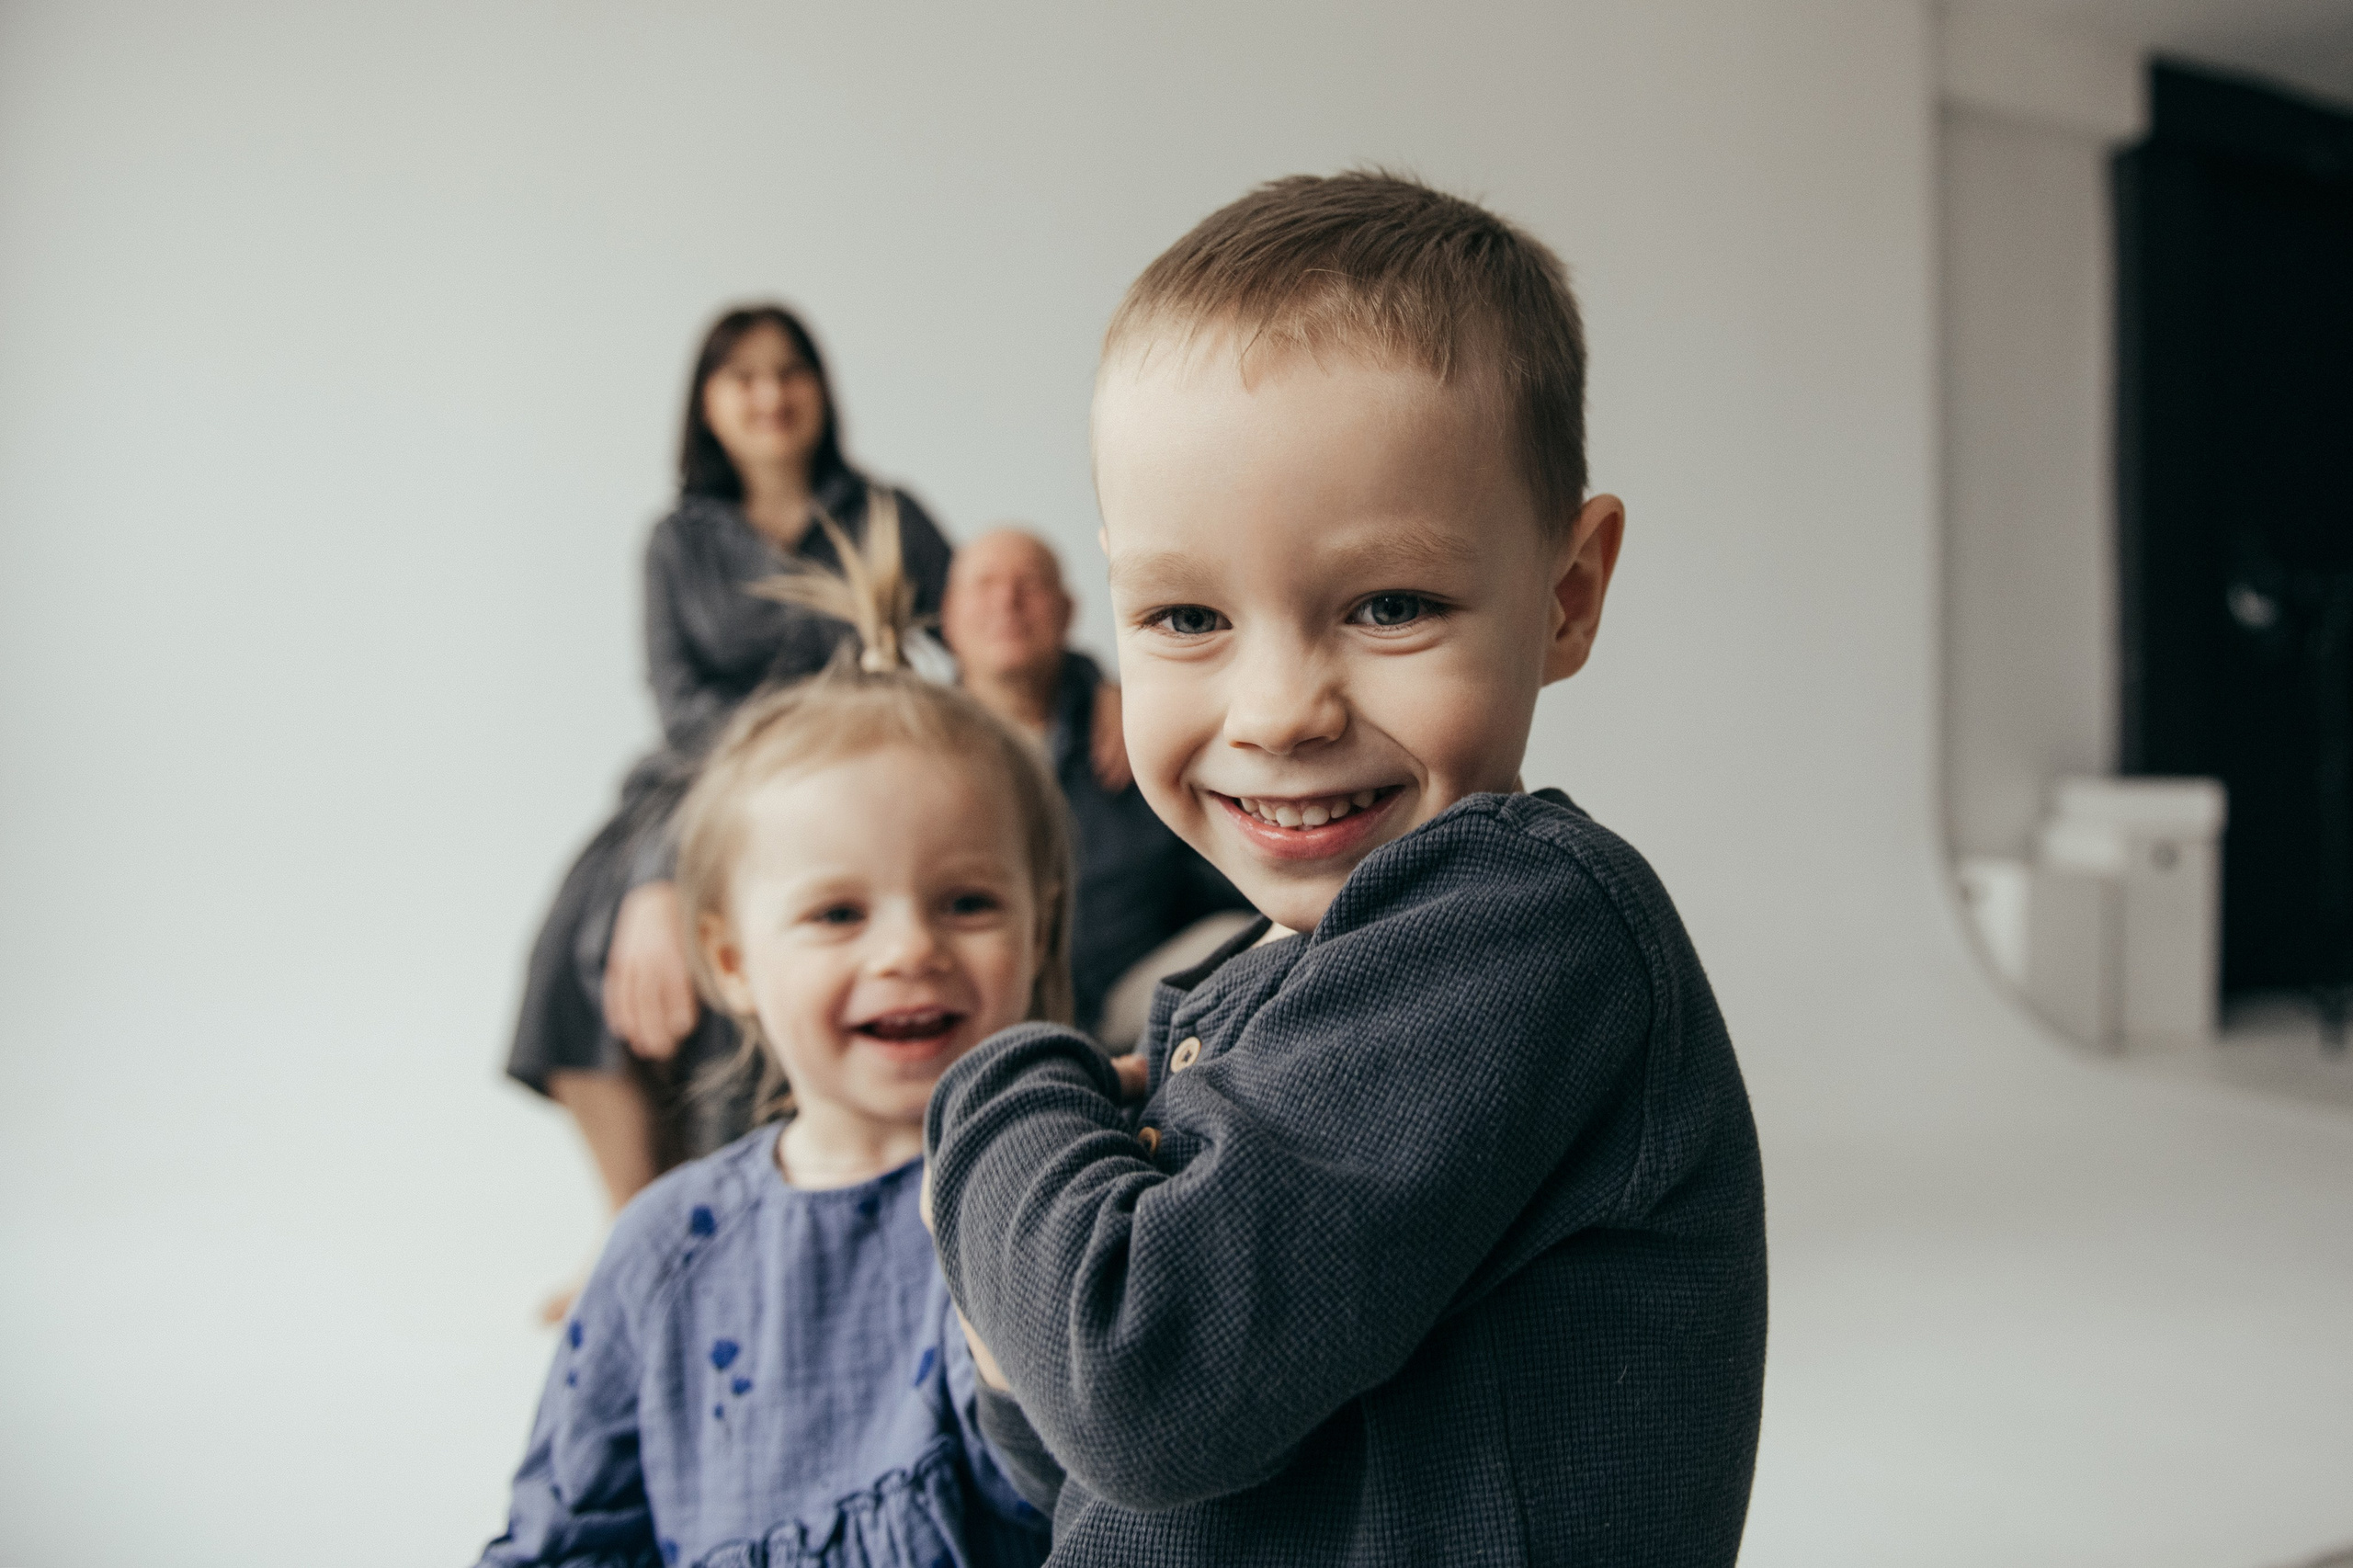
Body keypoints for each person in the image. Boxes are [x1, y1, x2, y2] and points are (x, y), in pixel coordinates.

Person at [923, 173, 1768, 1563]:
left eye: (1389, 605)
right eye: (1187, 614)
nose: (1278, 710)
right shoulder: (1248, 983)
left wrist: (1003, 1085)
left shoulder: (1525, 931)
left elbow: (1140, 1385)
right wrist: (1027, 1370)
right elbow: (1124, 1463)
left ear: (1567, 593)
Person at [476, 496, 1051, 1568]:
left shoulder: (1069, 1196)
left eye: (966, 902)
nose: (907, 950)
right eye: (839, 913)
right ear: (731, 960)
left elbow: (1105, 1504)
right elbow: (566, 1539)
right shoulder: (662, 1248)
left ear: (1038, 919)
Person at [506, 304, 954, 1298]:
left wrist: (1095, 684)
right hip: (696, 781)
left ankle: (745, 1216)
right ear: (707, 404)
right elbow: (679, 706)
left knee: (752, 939)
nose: (769, 394)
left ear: (821, 389)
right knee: (575, 934)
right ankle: (635, 1222)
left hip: (850, 776)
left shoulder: (885, 515)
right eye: (741, 377)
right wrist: (668, 867)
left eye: (789, 371)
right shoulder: (678, 540)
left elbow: (984, 631)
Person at [939, 528, 1256, 1042]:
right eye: (985, 584)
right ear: (949, 616)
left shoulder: (1137, 722)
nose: (1008, 601)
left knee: (1248, 939)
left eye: (1030, 583)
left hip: (1132, 1002)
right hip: (985, 1011)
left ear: (1067, 611)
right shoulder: (919, 753)